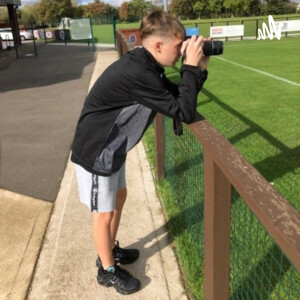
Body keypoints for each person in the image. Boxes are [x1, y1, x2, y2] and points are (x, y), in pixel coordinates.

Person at [71, 10, 210, 295]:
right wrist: (190, 67)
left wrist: (199, 67)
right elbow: (183, 110)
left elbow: (181, 96)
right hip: (98, 151)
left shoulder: (146, 66)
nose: (181, 51)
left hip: (111, 147)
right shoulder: (139, 73)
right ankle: (106, 269)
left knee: (118, 197)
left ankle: (109, 249)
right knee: (103, 212)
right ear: (158, 45)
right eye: (178, 45)